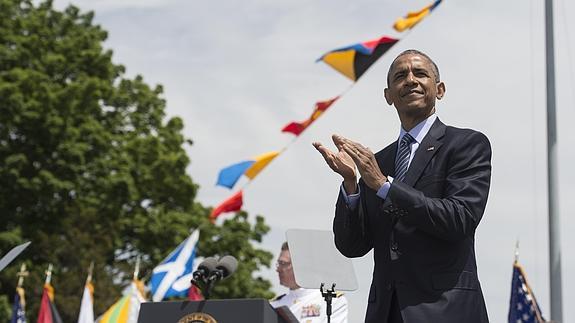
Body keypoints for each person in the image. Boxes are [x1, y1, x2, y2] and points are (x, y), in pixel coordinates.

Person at [313, 49, 491, 323]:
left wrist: (385, 187)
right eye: (400, 76)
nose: (410, 80)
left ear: (440, 89)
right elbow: (353, 246)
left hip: (445, 311)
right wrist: (351, 185)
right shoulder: (378, 161)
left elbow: (459, 219)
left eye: (420, 73)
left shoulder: (466, 145)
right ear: (388, 96)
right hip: (386, 311)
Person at [270, 242, 348, 323]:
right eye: (278, 264)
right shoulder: (274, 305)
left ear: (299, 265)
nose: (278, 269)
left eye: (283, 263)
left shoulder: (330, 300)